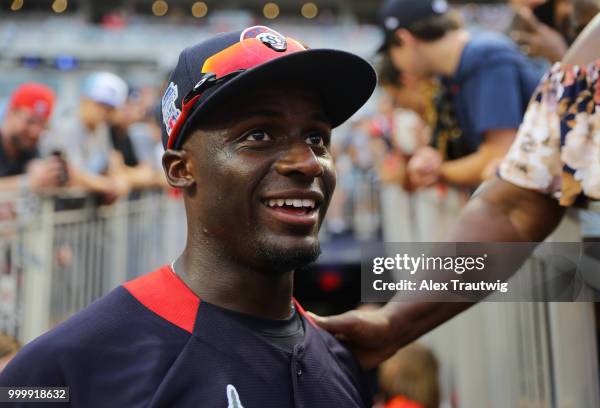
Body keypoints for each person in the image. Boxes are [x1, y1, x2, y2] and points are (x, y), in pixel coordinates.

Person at [0, 26, 377, 407]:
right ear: (181, 169)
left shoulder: (343, 362)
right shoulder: (70, 367)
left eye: (316, 137)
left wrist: (401, 320)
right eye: (259, 135)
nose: (307, 162)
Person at [311, 5, 600, 369]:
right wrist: (394, 323)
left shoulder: (488, 57)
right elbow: (514, 206)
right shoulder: (593, 57)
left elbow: (497, 163)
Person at [379, 0, 542, 188]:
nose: (395, 61)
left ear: (404, 39)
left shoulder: (486, 58)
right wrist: (431, 157)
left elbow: (498, 158)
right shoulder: (453, 74)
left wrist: (439, 171)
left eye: (391, 51)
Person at [43, 71, 130, 200]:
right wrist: (108, 185)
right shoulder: (67, 126)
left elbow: (109, 162)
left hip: (79, 207)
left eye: (110, 108)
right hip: (55, 208)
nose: (104, 112)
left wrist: (119, 178)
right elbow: (71, 174)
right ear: (85, 99)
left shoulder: (101, 129)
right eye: (100, 105)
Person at [0, 83, 65, 192]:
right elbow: (31, 182)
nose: (35, 132)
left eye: (43, 125)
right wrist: (27, 182)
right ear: (11, 112)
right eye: (30, 121)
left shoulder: (28, 148)